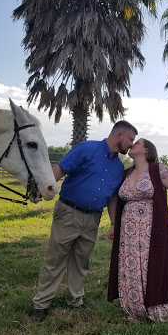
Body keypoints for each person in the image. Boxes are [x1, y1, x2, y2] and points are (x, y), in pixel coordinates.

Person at [30, 121, 138, 322]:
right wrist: (39, 187)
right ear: (120, 135)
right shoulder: (87, 149)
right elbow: (60, 170)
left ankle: (75, 300)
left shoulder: (118, 166)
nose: (131, 144)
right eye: (131, 139)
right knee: (56, 259)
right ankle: (41, 304)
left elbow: (113, 197)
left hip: (93, 218)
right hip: (68, 212)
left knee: (82, 261)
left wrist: (114, 223)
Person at [107, 139, 168, 322]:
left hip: (151, 230)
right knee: (130, 266)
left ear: (145, 150)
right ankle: (132, 305)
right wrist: (113, 223)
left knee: (149, 265)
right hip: (127, 232)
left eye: (136, 143)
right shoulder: (125, 173)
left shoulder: (158, 169)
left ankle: (152, 306)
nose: (131, 145)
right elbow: (113, 199)